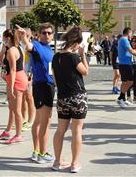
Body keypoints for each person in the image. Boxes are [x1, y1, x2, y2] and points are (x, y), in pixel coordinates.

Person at [52, 27, 88, 173]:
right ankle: (74, 163)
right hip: (77, 96)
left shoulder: (56, 57)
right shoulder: (74, 57)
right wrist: (83, 56)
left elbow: (55, 80)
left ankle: (57, 161)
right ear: (76, 42)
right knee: (77, 130)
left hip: (62, 97)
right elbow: (85, 72)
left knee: (60, 130)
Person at [18, 23, 56, 164]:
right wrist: (24, 38)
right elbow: (29, 47)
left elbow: (51, 70)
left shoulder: (49, 49)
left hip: (48, 85)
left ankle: (36, 151)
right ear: (39, 34)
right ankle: (42, 153)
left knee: (39, 121)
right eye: (44, 33)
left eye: (49, 33)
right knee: (45, 122)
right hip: (42, 86)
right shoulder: (37, 45)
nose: (47, 35)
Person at [0, 29, 29, 144]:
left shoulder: (12, 51)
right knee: (12, 109)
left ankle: (18, 135)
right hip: (19, 78)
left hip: (16, 80)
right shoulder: (18, 48)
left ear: (7, 38)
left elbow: (14, 69)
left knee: (16, 110)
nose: (2, 39)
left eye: (3, 37)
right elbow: (3, 63)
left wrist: (11, 86)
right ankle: (8, 131)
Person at [116, 27, 136, 109]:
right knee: (130, 82)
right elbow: (131, 51)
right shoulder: (124, 40)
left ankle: (122, 98)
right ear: (128, 33)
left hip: (124, 63)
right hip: (126, 64)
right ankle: (121, 98)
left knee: (125, 82)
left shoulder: (122, 40)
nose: (131, 35)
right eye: (131, 33)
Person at [126, 37, 136, 103]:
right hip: (130, 65)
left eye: (135, 42)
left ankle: (135, 95)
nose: (133, 43)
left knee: (135, 81)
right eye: (132, 41)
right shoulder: (129, 49)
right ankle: (128, 96)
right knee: (129, 81)